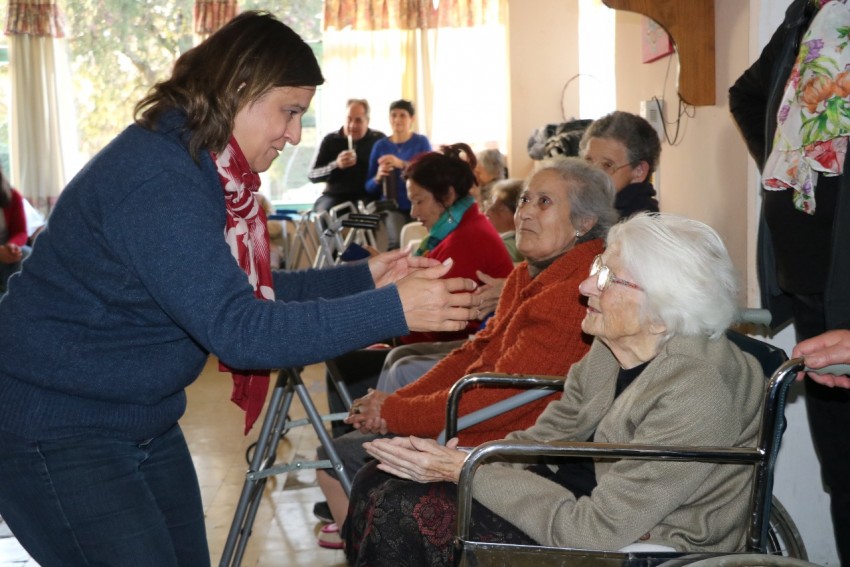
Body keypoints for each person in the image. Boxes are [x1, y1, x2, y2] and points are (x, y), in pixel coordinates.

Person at [0, 13, 479, 567]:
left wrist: (366, 277)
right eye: (290, 111)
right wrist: (389, 309)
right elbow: (241, 330)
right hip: (59, 425)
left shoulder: (198, 164)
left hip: (134, 417)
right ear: (239, 89)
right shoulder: (162, 178)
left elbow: (241, 289)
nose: (295, 134)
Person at [344, 212, 765, 566]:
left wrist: (465, 471)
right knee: (378, 480)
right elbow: (542, 439)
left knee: (407, 509)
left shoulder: (697, 390)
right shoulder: (612, 348)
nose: (585, 287)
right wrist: (464, 460)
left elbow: (596, 529)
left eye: (608, 278)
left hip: (642, 545)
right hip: (573, 502)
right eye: (597, 269)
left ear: (662, 311)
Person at [316, 156, 618, 546]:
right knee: (338, 457)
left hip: (514, 442)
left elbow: (501, 394)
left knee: (337, 461)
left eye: (544, 202)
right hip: (483, 419)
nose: (525, 211)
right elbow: (473, 356)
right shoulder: (528, 274)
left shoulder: (571, 292)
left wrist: (395, 413)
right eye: (525, 199)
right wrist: (397, 402)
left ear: (584, 222)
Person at [729, 1, 850, 562]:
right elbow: (747, 94)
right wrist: (790, 166)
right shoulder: (808, 11)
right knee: (845, 476)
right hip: (813, 284)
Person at [323, 144, 515, 434]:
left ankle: (351, 447)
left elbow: (430, 323)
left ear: (447, 195)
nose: (413, 212)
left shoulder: (466, 240)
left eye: (419, 201)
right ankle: (353, 445)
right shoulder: (462, 228)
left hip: (456, 347)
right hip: (444, 340)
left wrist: (387, 290)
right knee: (357, 350)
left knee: (344, 358)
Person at [365, 99, 432, 249]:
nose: (397, 119)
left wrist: (401, 164)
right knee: (395, 243)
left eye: (402, 115)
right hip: (392, 205)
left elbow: (431, 173)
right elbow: (368, 187)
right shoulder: (380, 145)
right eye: (393, 115)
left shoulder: (421, 142)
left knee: (423, 243)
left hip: (420, 202)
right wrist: (378, 177)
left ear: (411, 119)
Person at [579, 110, 661, 218]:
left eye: (607, 165)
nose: (593, 174)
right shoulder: (592, 208)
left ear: (639, 171)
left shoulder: (637, 226)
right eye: (588, 162)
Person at [308, 98, 385, 213]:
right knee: (325, 214)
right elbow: (312, 175)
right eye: (349, 119)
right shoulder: (331, 140)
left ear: (367, 121)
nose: (352, 125)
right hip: (334, 195)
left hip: (367, 195)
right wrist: (336, 165)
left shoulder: (378, 140)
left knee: (372, 213)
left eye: (358, 120)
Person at [0, 164, 30, 293]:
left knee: (27, 254)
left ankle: (14, 298)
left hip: (6, 250)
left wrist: (12, 246)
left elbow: (20, 232)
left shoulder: (13, 196)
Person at [484, 178, 524, 263]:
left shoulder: (508, 247)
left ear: (517, 214)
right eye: (490, 203)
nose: (487, 212)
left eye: (498, 208)